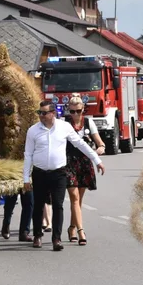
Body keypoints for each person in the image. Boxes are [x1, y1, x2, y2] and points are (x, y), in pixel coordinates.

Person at [22, 100, 104, 251]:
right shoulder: (33, 130)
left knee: (58, 205)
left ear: (53, 113)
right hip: (39, 173)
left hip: (59, 173)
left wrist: (96, 160)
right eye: (39, 113)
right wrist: (26, 178)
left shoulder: (63, 127)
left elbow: (80, 144)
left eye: (44, 113)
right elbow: (28, 155)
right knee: (38, 205)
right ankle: (38, 235)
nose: (41, 116)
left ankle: (56, 239)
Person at [64, 96, 105, 246]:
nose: (75, 114)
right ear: (69, 110)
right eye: (72, 111)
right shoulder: (64, 124)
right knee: (74, 197)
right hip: (69, 163)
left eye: (78, 111)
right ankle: (81, 231)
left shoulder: (88, 122)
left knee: (78, 200)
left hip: (84, 163)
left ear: (83, 110)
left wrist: (101, 148)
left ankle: (72, 227)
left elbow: (99, 141)